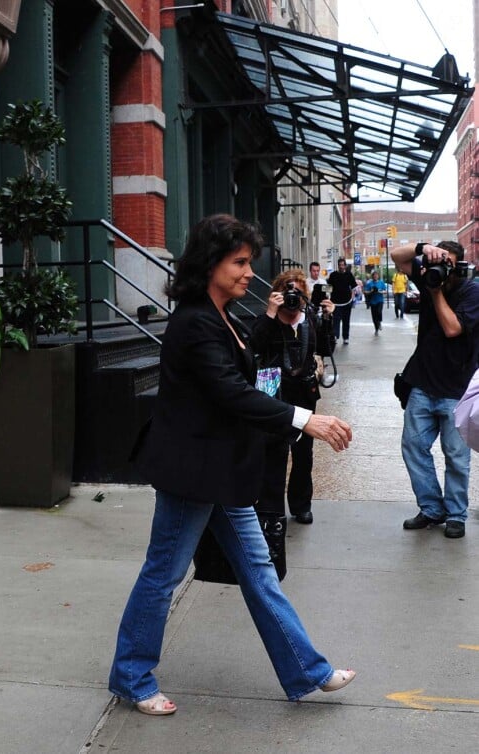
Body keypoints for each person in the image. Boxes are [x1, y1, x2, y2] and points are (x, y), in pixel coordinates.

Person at [108, 214, 355, 715]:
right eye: (239, 262)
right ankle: (131, 676)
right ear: (210, 263)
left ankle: (307, 670)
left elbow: (256, 376)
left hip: (223, 473)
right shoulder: (195, 321)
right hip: (193, 473)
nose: (248, 271)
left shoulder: (229, 316)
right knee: (164, 573)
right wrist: (302, 420)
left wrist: (280, 347)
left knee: (260, 573)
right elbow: (228, 392)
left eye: (249, 262)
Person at [391, 240, 479, 539]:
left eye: (448, 263)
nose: (441, 268)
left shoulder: (471, 292)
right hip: (422, 385)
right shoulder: (427, 271)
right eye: (438, 262)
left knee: (456, 457)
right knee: (413, 448)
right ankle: (431, 507)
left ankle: (455, 514)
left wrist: (435, 290)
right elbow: (396, 256)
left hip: (457, 390)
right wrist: (423, 248)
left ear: (460, 266)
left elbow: (452, 328)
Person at [250, 269, 335, 525]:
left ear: (304, 296)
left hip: (304, 393)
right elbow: (254, 346)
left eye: (297, 292)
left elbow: (326, 349)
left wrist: (328, 319)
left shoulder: (310, 319)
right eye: (288, 291)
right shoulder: (269, 319)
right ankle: (271, 508)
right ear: (277, 293)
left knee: (303, 453)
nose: (292, 297)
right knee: (274, 452)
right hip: (275, 393)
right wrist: (270, 313)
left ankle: (301, 505)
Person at [328, 258, 357, 344]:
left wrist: (352, 298)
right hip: (335, 302)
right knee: (336, 320)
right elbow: (329, 287)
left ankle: (346, 337)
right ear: (338, 266)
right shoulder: (333, 275)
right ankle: (336, 336)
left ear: (345, 266)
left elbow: (354, 287)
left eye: (342, 265)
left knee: (346, 320)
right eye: (340, 265)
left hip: (347, 302)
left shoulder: (349, 275)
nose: (341, 266)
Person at [364, 270, 386, 335]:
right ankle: (376, 329)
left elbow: (385, 291)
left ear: (378, 276)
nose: (375, 276)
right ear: (372, 276)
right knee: (374, 316)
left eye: (376, 275)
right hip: (373, 302)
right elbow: (365, 292)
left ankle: (379, 322)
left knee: (379, 312)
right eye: (374, 275)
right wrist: (371, 291)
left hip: (380, 301)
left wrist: (379, 291)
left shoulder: (381, 283)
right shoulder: (369, 283)